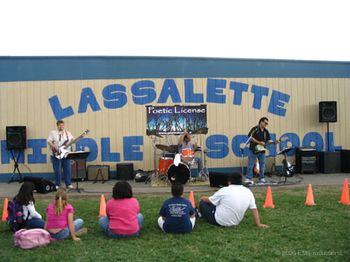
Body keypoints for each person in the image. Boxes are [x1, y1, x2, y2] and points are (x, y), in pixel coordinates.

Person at [199, 173, 268, 228]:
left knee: (203, 203)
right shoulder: (248, 191)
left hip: (218, 220)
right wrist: (258, 223)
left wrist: (202, 198)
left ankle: (199, 214)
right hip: (235, 222)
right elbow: (254, 209)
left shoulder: (224, 190)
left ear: (229, 182)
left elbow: (209, 200)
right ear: (241, 181)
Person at [245, 117, 279, 185]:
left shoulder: (266, 131)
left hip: (262, 150)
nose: (266, 124)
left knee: (262, 165)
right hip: (254, 150)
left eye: (267, 123)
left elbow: (268, 140)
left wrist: (274, 142)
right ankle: (248, 178)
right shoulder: (255, 129)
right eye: (265, 123)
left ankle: (261, 178)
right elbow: (250, 138)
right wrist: (259, 142)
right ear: (261, 122)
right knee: (251, 164)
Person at [47, 120, 74, 189]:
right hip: (56, 154)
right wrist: (54, 146)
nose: (61, 126)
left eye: (62, 125)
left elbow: (72, 140)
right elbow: (49, 141)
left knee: (67, 169)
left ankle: (68, 184)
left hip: (66, 154)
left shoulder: (68, 133)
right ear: (57, 126)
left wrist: (80, 138)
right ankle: (57, 184)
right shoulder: (53, 133)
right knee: (57, 170)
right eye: (59, 125)